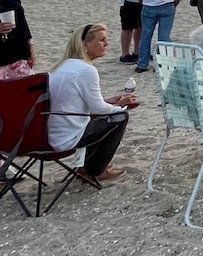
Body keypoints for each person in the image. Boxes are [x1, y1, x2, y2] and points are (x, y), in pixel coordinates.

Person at [47, 24, 138, 183]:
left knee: (107, 114)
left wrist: (108, 101)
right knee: (120, 116)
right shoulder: (86, 70)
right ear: (85, 44)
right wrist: (120, 105)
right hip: (68, 136)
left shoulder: (62, 66)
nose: (107, 44)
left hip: (50, 133)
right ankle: (96, 170)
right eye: (102, 40)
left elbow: (75, 102)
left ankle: (85, 167)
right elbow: (99, 110)